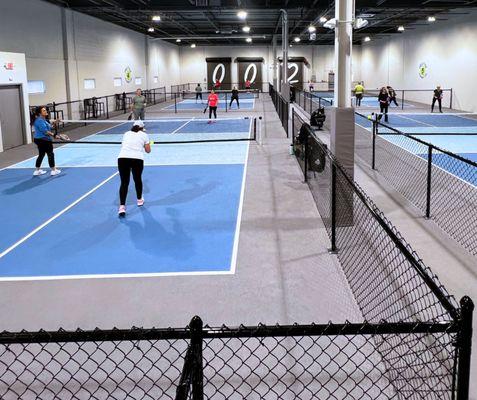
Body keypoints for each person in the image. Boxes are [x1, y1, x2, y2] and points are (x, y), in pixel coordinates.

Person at [117, 120, 151, 217]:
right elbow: (148, 151)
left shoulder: (126, 134)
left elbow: (124, 145)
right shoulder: (144, 135)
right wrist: (148, 144)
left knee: (124, 183)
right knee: (137, 179)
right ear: (142, 128)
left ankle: (122, 207)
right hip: (137, 159)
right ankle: (139, 200)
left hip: (122, 158)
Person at [32, 106, 61, 176]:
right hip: (43, 140)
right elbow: (45, 132)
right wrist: (54, 135)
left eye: (45, 110)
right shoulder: (39, 121)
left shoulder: (43, 119)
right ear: (39, 113)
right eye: (44, 110)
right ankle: (54, 170)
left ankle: (37, 171)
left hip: (40, 139)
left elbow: (50, 127)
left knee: (41, 154)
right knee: (50, 154)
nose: (46, 111)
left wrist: (55, 123)